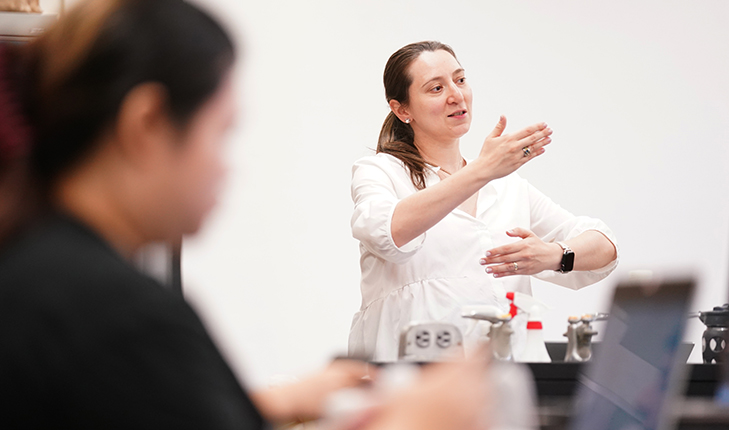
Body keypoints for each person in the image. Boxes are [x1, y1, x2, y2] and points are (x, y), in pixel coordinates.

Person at [0, 2, 493, 429]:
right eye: (220, 133)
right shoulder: (119, 314)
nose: (223, 167)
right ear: (146, 124)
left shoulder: (36, 271)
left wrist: (277, 401)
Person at [349, 41, 619, 361]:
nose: (456, 95)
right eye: (436, 88)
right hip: (410, 384)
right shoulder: (381, 172)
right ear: (401, 109)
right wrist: (481, 170)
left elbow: (605, 246)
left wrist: (554, 255)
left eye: (460, 80)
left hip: (504, 381)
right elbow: (387, 231)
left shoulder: (508, 188)